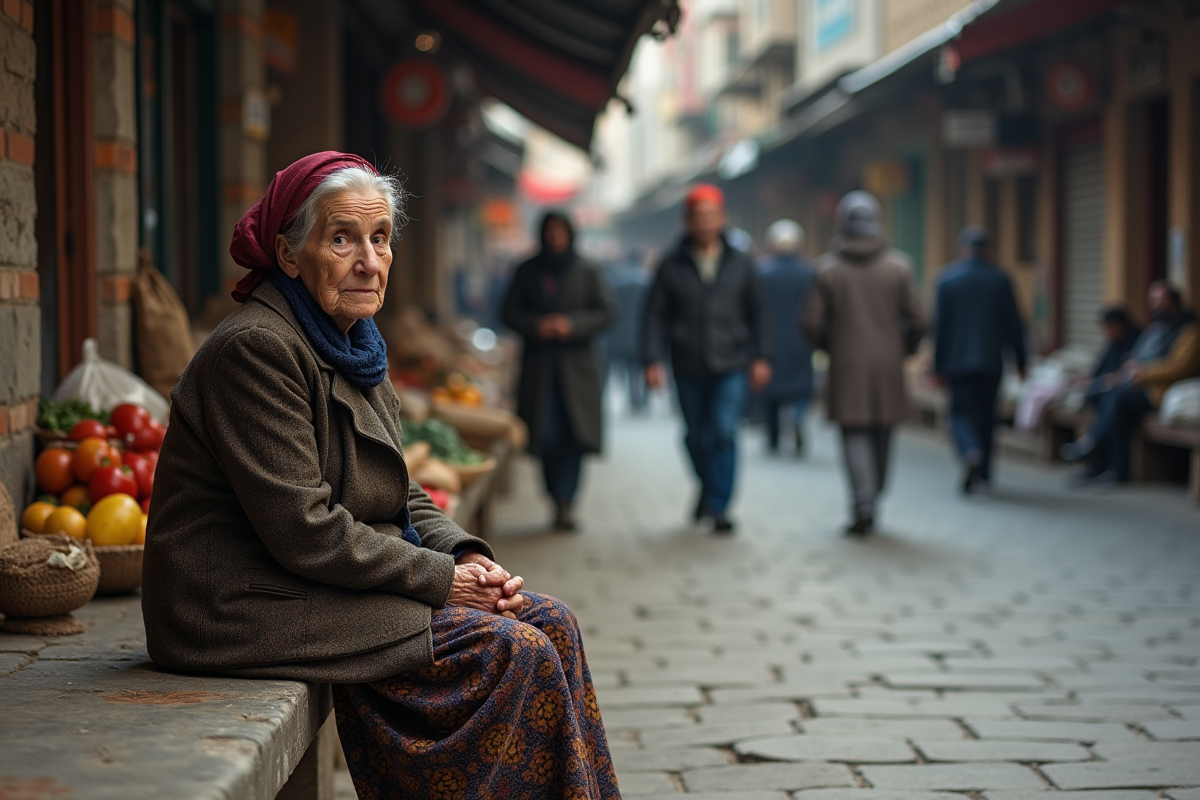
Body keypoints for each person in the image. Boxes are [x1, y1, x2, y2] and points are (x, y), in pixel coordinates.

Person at [141, 153, 619, 800]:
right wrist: (441, 583)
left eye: (380, 238)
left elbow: (399, 485)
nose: (369, 260)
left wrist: (464, 556)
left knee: (554, 624)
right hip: (242, 603)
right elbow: (304, 530)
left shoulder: (350, 338)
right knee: (514, 652)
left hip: (313, 582)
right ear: (288, 255)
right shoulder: (257, 349)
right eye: (342, 238)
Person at [642, 184, 771, 533]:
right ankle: (708, 486)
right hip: (687, 363)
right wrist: (652, 360)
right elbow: (655, 315)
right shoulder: (671, 263)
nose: (705, 223)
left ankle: (719, 507)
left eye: (711, 216)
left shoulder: (741, 261)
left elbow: (758, 312)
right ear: (687, 221)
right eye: (698, 217)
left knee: (724, 432)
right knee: (696, 436)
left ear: (722, 219)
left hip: (731, 362)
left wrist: (761, 357)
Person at [803, 191, 925, 536]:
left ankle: (863, 501)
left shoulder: (827, 269)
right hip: (888, 364)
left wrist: (831, 346)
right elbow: (918, 319)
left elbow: (811, 322)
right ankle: (874, 494)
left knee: (854, 432)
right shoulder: (900, 266)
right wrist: (904, 349)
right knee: (883, 431)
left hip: (846, 364)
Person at [502, 212, 615, 531]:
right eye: (550, 232)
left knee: (573, 435)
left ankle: (566, 502)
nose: (555, 238)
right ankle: (554, 496)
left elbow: (607, 312)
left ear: (570, 234)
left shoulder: (587, 269)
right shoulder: (527, 269)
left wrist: (572, 325)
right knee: (545, 435)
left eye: (560, 232)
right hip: (540, 367)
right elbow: (508, 311)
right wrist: (538, 325)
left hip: (577, 368)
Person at [1061, 282, 1200, 486]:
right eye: (1153, 301)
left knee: (1118, 401)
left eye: (1161, 301)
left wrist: (1144, 373)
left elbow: (1180, 366)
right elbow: (1135, 357)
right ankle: (1097, 463)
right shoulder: (1155, 330)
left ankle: (1113, 464)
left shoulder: (1190, 332)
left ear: (1175, 303)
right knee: (1099, 395)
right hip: (1135, 384)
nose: (1156, 306)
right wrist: (1123, 372)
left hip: (1158, 391)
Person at [932, 226, 1028, 493]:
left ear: (963, 249)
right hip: (990, 361)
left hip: (956, 362)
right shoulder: (1000, 279)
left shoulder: (947, 279)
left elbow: (940, 327)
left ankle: (970, 452)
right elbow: (1014, 324)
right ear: (988, 250)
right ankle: (984, 472)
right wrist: (1021, 361)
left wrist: (936, 366)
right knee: (987, 417)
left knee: (959, 414)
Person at [757, 219, 816, 454]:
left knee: (771, 391)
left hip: (771, 340)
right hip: (802, 340)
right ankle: (797, 415)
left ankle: (773, 437)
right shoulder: (809, 272)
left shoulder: (763, 272)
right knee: (800, 388)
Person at [606, 252, 651, 413]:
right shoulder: (647, 281)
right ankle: (638, 400)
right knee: (637, 369)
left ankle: (633, 399)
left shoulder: (616, 281)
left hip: (619, 334)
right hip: (639, 332)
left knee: (625, 369)